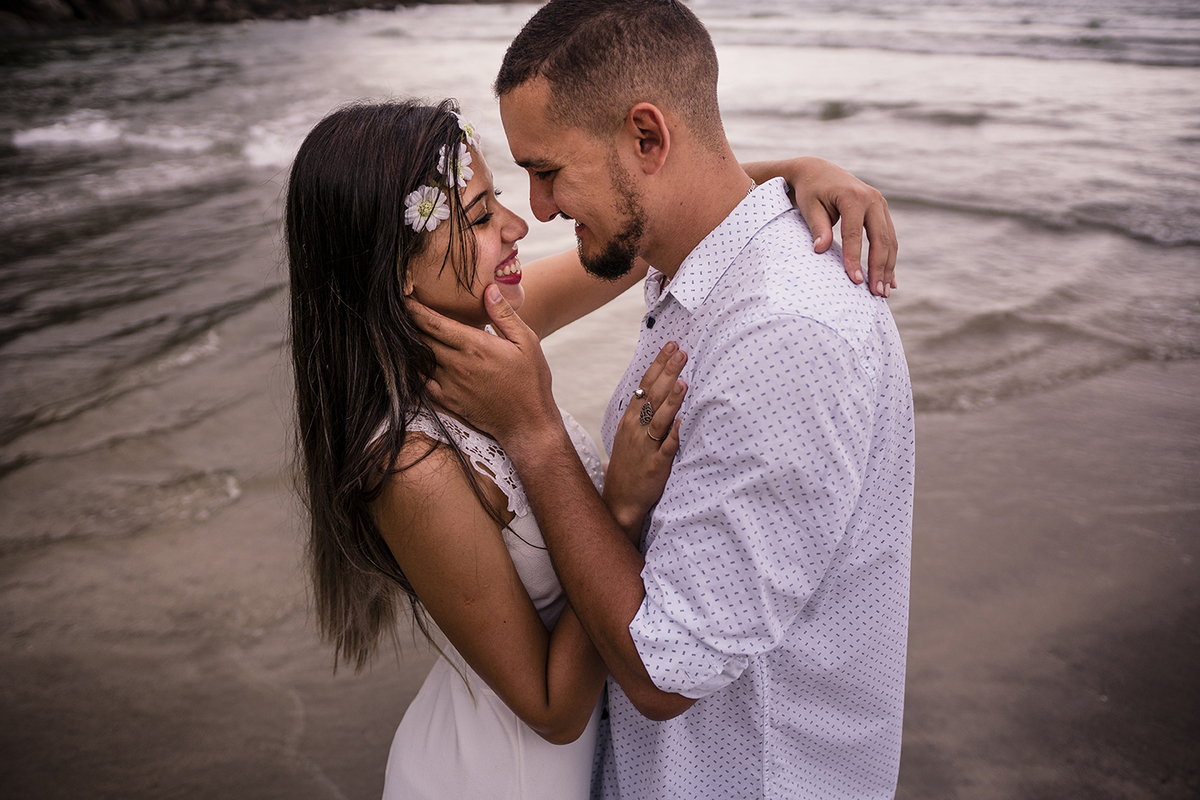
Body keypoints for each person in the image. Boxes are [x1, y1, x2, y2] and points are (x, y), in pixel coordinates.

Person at [286, 95, 901, 799]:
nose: (520, 224)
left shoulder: (491, 334)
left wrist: (795, 171)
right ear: (397, 272)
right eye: (483, 217)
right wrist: (619, 505)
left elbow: (639, 231)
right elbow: (555, 709)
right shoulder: (409, 465)